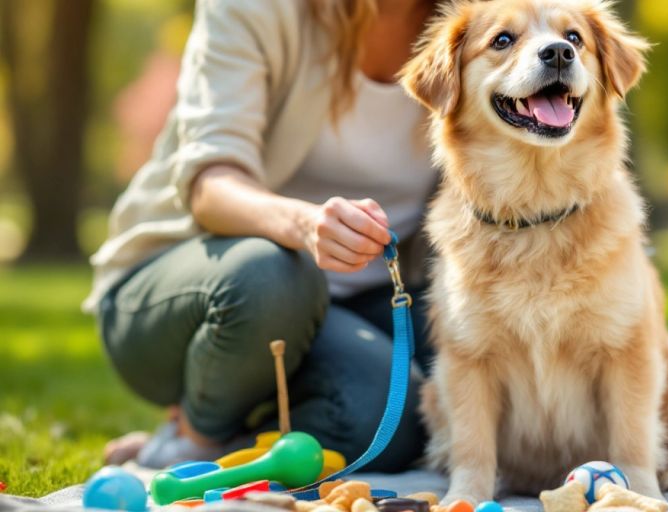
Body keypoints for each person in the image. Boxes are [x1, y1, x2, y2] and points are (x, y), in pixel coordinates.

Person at [86, 0, 439, 470]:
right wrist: (305, 226)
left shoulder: (489, 20)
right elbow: (212, 183)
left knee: (416, 409)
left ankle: (244, 441)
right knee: (273, 276)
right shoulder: (256, 8)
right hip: (210, 291)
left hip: (370, 299)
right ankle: (197, 432)